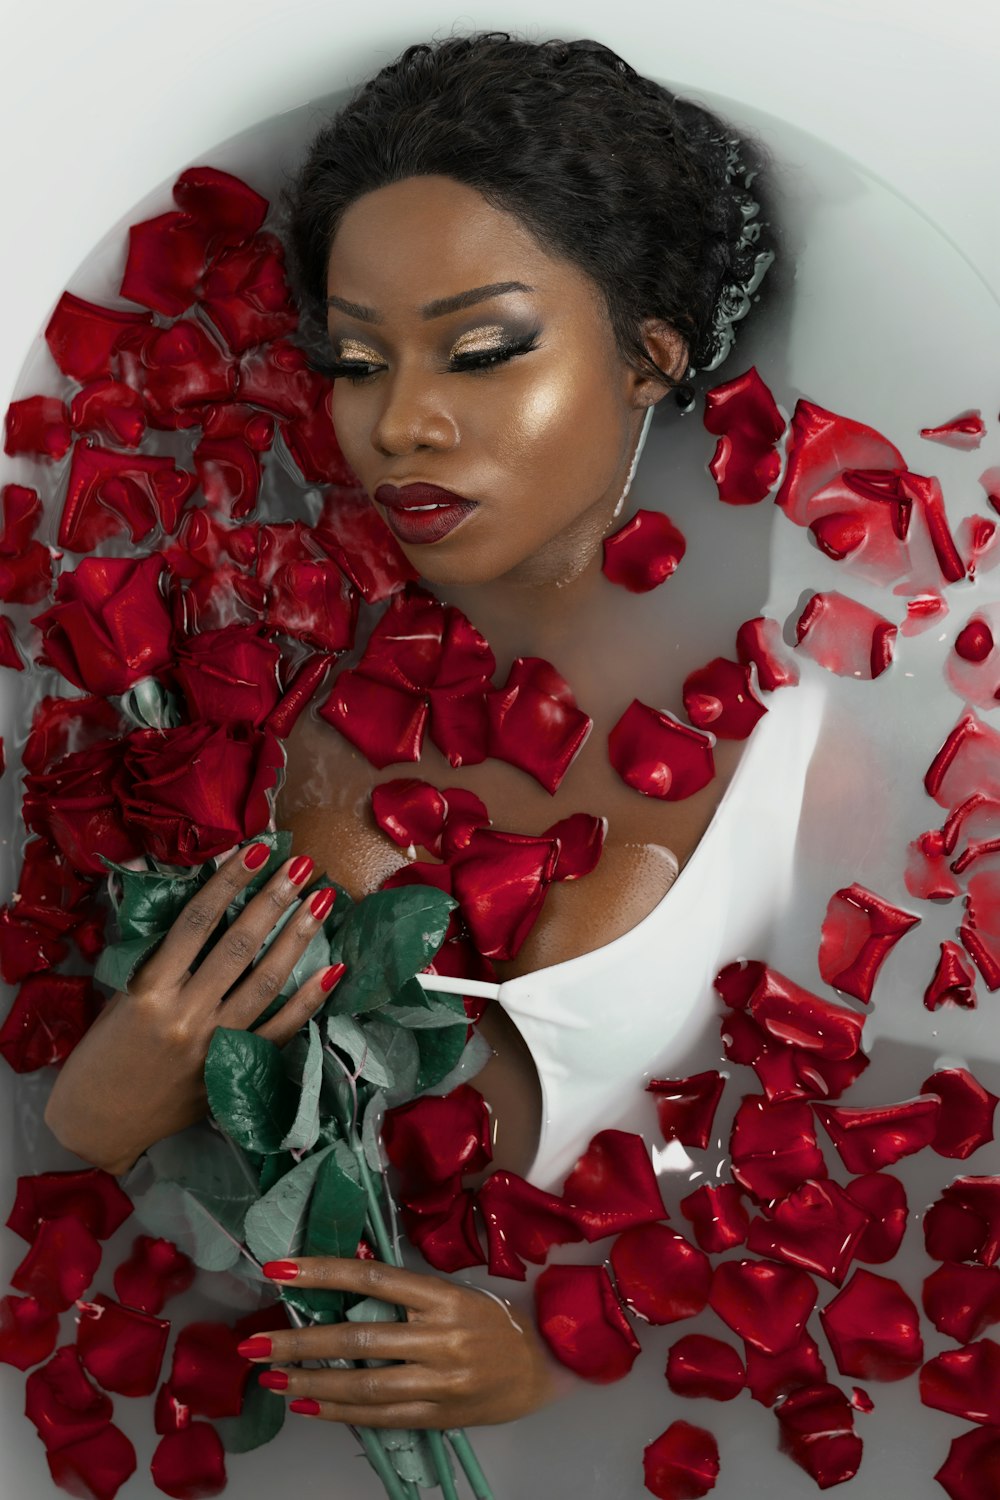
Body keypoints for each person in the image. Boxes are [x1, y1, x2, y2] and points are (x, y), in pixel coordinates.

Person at [42, 30, 808, 1453]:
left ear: (651, 357)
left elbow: (819, 1143)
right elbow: (127, 1155)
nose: (398, 424)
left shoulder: (800, 735)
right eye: (351, 361)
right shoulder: (254, 675)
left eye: (480, 350)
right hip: (214, 1365)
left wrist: (560, 1358)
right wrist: (92, 1114)